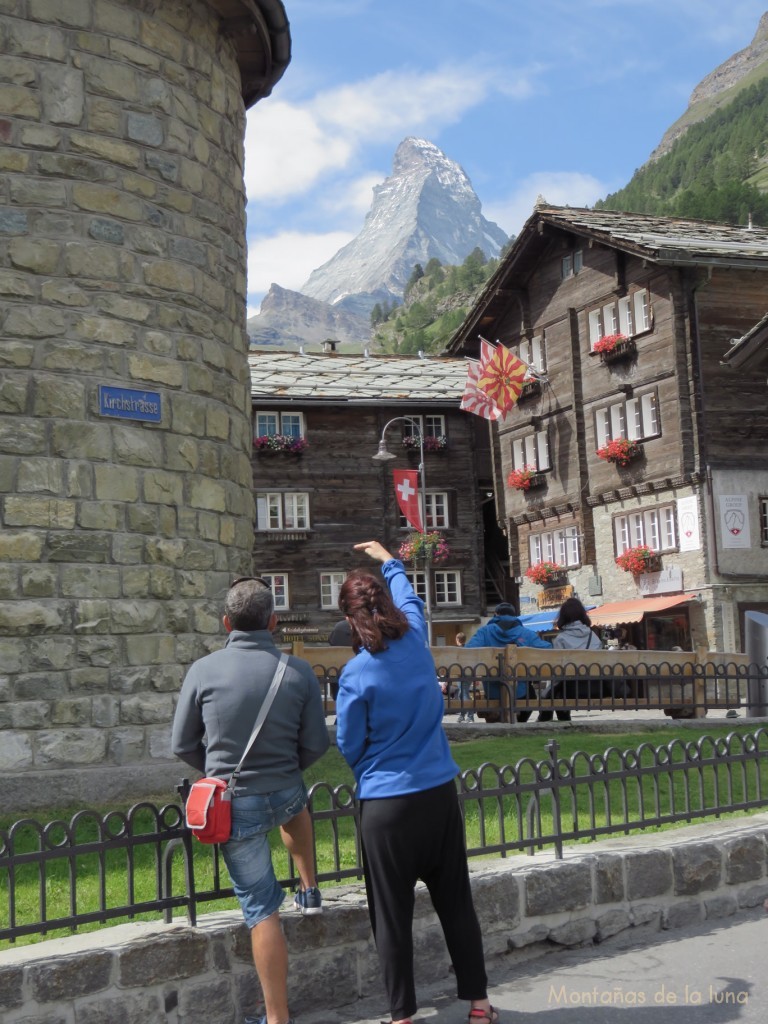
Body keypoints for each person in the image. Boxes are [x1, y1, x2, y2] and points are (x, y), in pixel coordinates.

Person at [335, 542, 499, 1024]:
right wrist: (389, 560)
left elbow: (349, 743)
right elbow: (412, 602)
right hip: (438, 793)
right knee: (456, 903)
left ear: (349, 618)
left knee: (392, 916)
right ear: (383, 605)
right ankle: (479, 1004)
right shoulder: (417, 641)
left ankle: (402, 1016)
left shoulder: (355, 673)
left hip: (387, 804)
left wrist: (372, 767)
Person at [172, 575, 330, 1024]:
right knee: (295, 807)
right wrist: (285, 769)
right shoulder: (296, 670)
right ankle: (309, 885)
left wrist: (216, 770)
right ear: (274, 622)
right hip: (284, 789)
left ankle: (277, 1018)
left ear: (226, 623)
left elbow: (182, 743)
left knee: (262, 911)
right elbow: (317, 743)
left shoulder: (203, 670)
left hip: (233, 799)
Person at [465, 602, 551, 722]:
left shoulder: (484, 632)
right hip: (520, 693)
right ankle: (518, 724)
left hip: (493, 693)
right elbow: (548, 650)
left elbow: (468, 652)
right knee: (529, 692)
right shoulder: (526, 633)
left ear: (496, 615)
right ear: (514, 616)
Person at [538, 597, 602, 723]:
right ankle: (560, 719)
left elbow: (556, 671)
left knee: (554, 689)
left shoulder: (561, 639)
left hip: (570, 690)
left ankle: (550, 719)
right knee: (557, 688)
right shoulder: (594, 637)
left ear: (563, 617)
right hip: (594, 688)